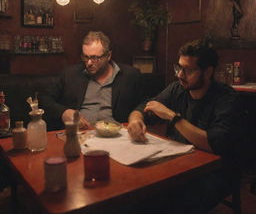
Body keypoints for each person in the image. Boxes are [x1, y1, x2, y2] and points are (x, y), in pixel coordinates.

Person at [127, 39, 243, 214]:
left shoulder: (227, 98)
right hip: (177, 165)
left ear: (208, 72)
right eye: (179, 67)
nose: (180, 75)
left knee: (163, 201)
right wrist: (136, 120)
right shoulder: (177, 89)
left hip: (214, 172)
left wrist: (172, 117)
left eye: (188, 70)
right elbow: (145, 106)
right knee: (135, 189)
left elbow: (215, 143)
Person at [39, 31, 144, 130]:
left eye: (94, 58)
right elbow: (44, 99)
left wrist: (136, 116)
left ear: (108, 56)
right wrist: (63, 112)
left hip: (118, 135)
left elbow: (144, 104)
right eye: (85, 57)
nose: (88, 63)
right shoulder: (70, 74)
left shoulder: (129, 75)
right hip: (82, 134)